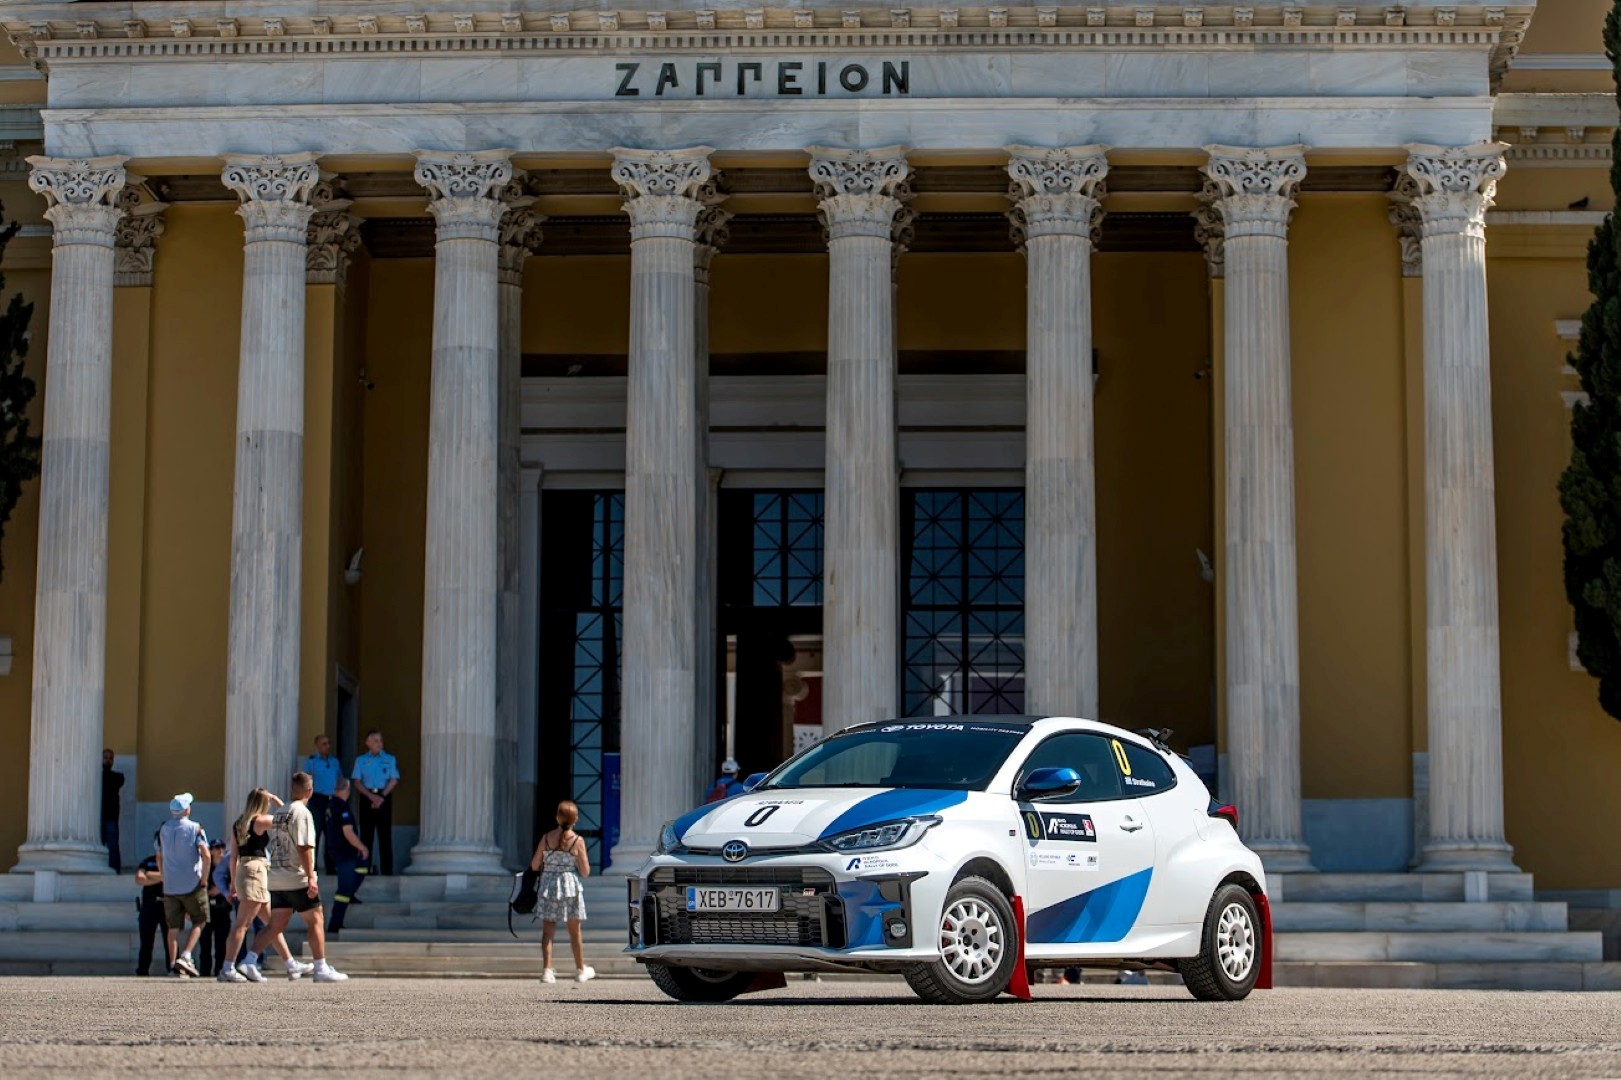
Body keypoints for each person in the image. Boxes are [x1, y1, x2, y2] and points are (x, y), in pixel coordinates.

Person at [247, 771, 348, 982]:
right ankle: (320, 967)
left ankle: (249, 960)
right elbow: (304, 847)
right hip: (297, 876)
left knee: (275, 925)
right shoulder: (303, 813)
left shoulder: (280, 812)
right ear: (310, 791)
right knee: (316, 920)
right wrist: (311, 877)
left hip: (277, 877)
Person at [217, 787, 307, 984]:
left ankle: (291, 964)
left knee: (271, 924)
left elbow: (233, 856)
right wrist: (277, 800)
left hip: (244, 869)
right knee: (242, 924)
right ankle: (227, 967)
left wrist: (233, 882)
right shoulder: (260, 820)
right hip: (256, 870)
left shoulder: (239, 823)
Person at [528, 800, 593, 985]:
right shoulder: (577, 841)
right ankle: (580, 970)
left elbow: (534, 865)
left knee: (548, 932)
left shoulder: (546, 838)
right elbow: (585, 871)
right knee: (575, 932)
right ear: (575, 819)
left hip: (549, 886)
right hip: (570, 887)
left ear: (557, 817)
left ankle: (547, 971)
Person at [155, 792, 209, 978]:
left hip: (170, 885)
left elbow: (159, 856)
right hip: (192, 882)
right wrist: (204, 879)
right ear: (187, 810)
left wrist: (164, 877)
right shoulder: (195, 828)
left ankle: (173, 966)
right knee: (200, 919)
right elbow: (206, 855)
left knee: (173, 927)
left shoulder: (163, 829)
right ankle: (186, 955)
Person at [323, 777, 369, 939]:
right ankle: (335, 923)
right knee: (344, 889)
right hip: (344, 852)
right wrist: (362, 847)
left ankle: (351, 894)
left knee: (362, 865)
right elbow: (348, 832)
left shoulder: (330, 805)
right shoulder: (342, 806)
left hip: (337, 851)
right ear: (347, 791)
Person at [352, 730, 399, 875]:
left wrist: (381, 797)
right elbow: (357, 781)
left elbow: (393, 780)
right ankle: (365, 869)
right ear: (368, 743)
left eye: (380, 741)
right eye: (376, 741)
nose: (380, 744)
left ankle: (387, 870)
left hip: (384, 796)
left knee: (385, 835)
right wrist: (371, 797)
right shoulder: (361, 760)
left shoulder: (389, 759)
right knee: (366, 834)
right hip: (367, 797)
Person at [302, 733, 342, 872]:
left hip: (332, 800)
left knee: (331, 834)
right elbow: (305, 781)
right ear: (317, 745)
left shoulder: (334, 762)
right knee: (316, 833)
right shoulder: (312, 762)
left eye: (328, 743)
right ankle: (312, 866)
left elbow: (340, 779)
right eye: (324, 744)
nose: (327, 746)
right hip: (317, 799)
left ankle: (331, 866)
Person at [197, 840, 232, 977]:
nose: (220, 850)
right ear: (210, 850)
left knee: (221, 944)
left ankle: (219, 970)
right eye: (216, 847)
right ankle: (205, 972)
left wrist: (221, 889)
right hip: (207, 910)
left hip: (222, 909)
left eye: (222, 847)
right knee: (205, 943)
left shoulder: (228, 867)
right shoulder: (206, 867)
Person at [133, 838, 165, 976]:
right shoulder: (148, 861)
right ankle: (142, 970)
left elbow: (172, 877)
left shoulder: (172, 862)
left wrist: (150, 875)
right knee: (146, 941)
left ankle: (172, 969)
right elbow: (139, 878)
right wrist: (162, 877)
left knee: (170, 940)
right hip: (149, 905)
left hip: (167, 905)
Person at [100, 749, 124, 873]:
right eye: (105, 757)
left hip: (111, 817)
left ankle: (115, 871)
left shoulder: (117, 777)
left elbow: (112, 779)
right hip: (98, 817)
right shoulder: (99, 777)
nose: (108, 760)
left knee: (113, 846)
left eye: (110, 758)